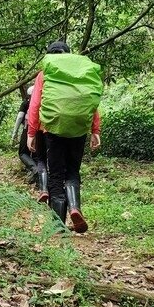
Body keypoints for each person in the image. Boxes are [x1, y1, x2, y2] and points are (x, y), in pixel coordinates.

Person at [26, 40, 102, 233]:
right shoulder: (80, 74)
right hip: (78, 129)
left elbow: (35, 105)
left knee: (56, 174)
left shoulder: (46, 74)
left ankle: (58, 224)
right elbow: (92, 102)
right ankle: (75, 207)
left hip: (53, 129)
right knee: (73, 171)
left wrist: (31, 132)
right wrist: (95, 130)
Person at [11, 86, 36, 182]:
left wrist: (15, 133)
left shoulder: (26, 103)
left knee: (22, 153)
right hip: (41, 131)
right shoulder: (42, 103)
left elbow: (19, 117)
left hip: (28, 129)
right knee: (36, 155)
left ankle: (34, 170)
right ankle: (36, 179)